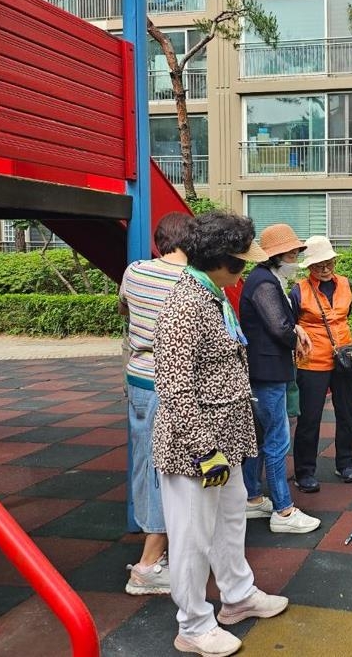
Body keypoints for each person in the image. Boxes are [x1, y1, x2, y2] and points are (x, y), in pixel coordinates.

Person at [153, 211, 290, 657]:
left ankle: (237, 596)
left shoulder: (212, 295)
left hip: (226, 438)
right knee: (192, 536)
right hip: (197, 448)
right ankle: (192, 624)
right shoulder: (185, 303)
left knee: (229, 523)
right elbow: (175, 385)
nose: (245, 269)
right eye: (240, 261)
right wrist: (203, 448)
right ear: (218, 259)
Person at [118, 211, 191, 595]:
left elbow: (125, 313)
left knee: (146, 464)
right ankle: (148, 566)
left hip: (138, 377)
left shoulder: (134, 272)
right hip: (170, 382)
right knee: (169, 470)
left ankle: (155, 554)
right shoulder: (190, 282)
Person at [238, 223, 321, 534]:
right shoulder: (264, 283)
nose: (296, 258)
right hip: (268, 371)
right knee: (276, 439)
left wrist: (295, 329)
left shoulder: (266, 280)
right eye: (292, 253)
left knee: (259, 439)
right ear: (278, 255)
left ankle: (253, 497)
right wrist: (296, 336)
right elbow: (278, 326)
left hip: (261, 371)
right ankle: (283, 511)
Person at [290, 236, 352, 490]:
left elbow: (346, 316)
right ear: (309, 267)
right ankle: (304, 471)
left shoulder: (345, 284)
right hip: (312, 360)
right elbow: (291, 322)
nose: (325, 268)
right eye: (318, 265)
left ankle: (346, 463)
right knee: (310, 418)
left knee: (346, 413)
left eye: (328, 262)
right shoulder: (299, 290)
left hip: (344, 357)